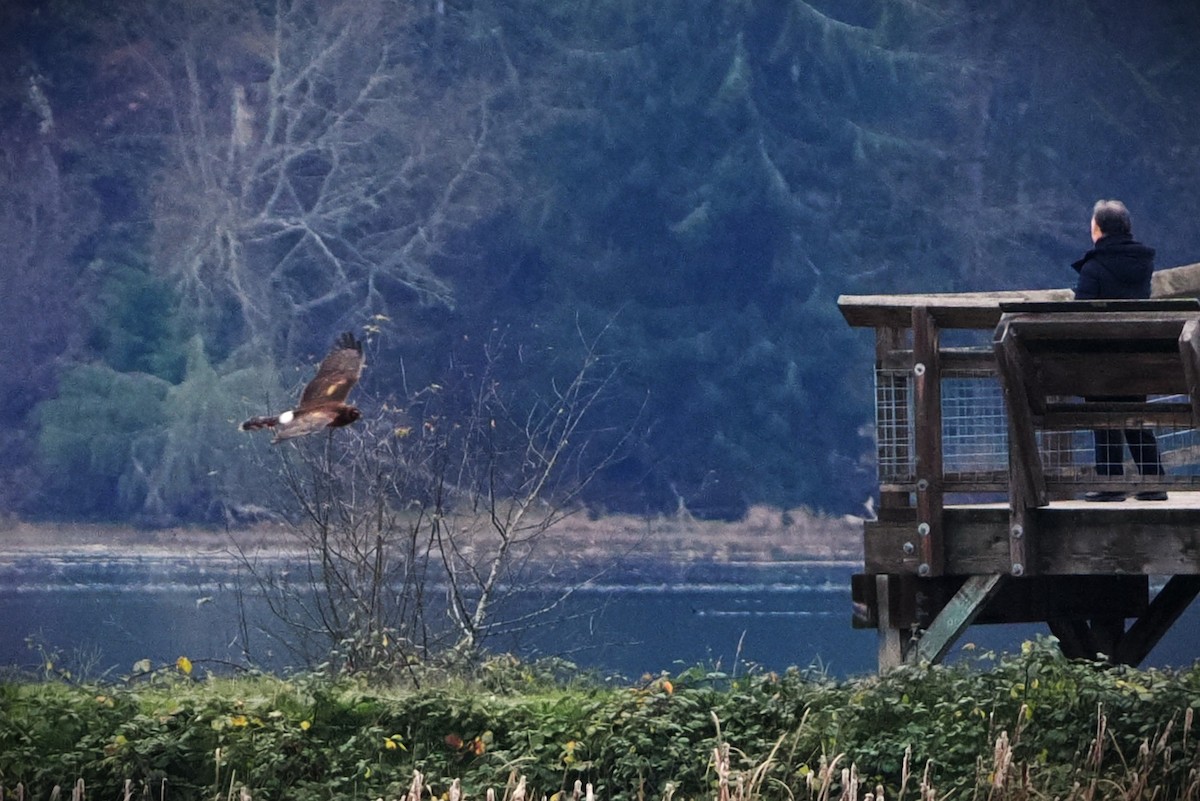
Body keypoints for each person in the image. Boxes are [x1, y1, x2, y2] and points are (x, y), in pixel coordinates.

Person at [1072, 199, 1167, 502]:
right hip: (1138, 358)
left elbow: (1079, 316)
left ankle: (1111, 483)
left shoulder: (1093, 267)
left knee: (1104, 416)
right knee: (1135, 417)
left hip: (1101, 360)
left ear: (1099, 230)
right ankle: (1153, 481)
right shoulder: (1143, 264)